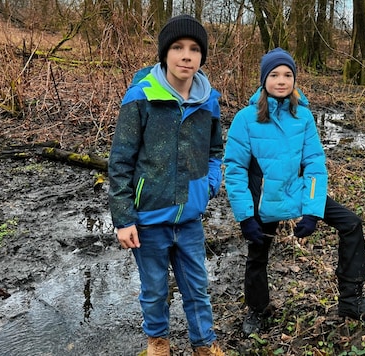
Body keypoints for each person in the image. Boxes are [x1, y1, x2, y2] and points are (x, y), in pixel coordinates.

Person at [223, 48, 365, 335]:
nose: (281, 81)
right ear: (263, 80)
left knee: (351, 224)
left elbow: (314, 164)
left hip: (297, 192)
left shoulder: (304, 117)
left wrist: (311, 211)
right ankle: (257, 310)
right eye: (274, 75)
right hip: (264, 199)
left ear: (295, 80)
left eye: (288, 75)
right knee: (257, 252)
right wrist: (245, 217)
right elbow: (234, 170)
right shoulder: (245, 119)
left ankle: (351, 300)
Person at [108, 14, 225, 356]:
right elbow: (120, 161)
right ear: (164, 54)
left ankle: (204, 343)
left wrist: (211, 183)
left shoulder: (209, 101)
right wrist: (123, 218)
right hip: (149, 220)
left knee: (197, 286)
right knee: (155, 287)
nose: (186, 56)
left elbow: (215, 149)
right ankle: (157, 341)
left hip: (189, 218)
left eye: (193, 49)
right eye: (177, 48)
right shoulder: (140, 98)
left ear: (202, 56)